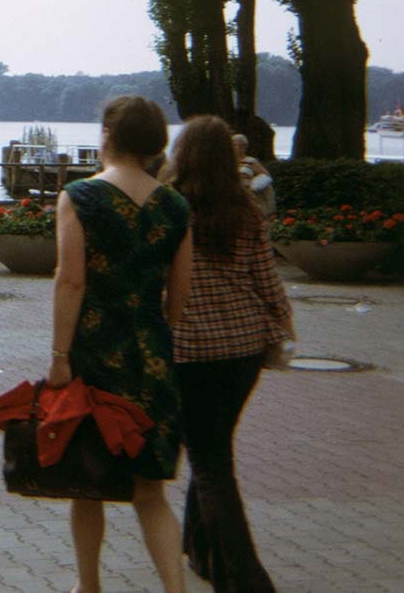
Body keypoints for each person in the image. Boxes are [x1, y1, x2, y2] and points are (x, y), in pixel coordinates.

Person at [48, 95, 193, 593]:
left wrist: (60, 357)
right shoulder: (176, 206)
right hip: (151, 356)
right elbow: (179, 298)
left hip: (93, 354)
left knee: (87, 483)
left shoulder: (80, 196)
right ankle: (176, 588)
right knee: (150, 492)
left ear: (107, 134)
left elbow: (71, 282)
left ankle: (88, 586)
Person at [167, 117, 293, 593]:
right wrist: (284, 322)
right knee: (215, 445)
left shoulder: (170, 208)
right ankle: (200, 549)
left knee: (210, 459)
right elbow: (267, 277)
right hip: (244, 349)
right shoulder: (245, 209)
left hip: (190, 348)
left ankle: (245, 577)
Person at [231, 134, 276, 217]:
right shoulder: (227, 162)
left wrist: (254, 185)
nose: (237, 147)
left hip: (248, 194)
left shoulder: (251, 161)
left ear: (245, 147)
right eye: (235, 145)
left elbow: (266, 176)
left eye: (241, 145)